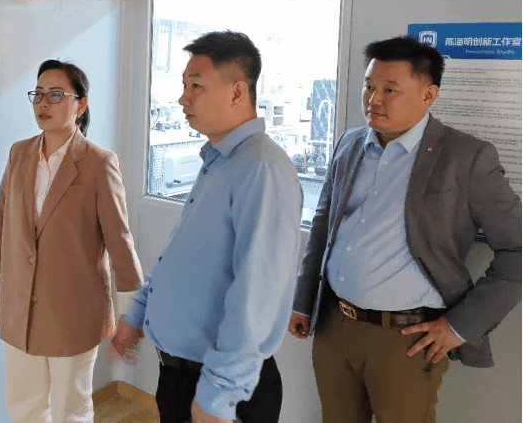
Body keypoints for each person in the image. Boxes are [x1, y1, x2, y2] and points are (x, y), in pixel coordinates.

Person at [288, 35, 522, 423]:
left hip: (407, 340)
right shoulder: (350, 143)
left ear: (429, 94)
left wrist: (459, 327)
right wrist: (303, 299)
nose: (373, 99)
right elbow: (323, 226)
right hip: (334, 324)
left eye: (390, 89)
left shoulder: (466, 158)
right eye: (369, 86)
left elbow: (517, 249)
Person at [112, 31, 302, 423]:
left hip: (221, 388)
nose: (183, 98)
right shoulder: (219, 160)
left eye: (196, 86)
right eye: (184, 85)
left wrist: (219, 395)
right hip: (181, 376)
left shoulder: (261, 169)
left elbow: (256, 295)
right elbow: (180, 256)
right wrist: (138, 315)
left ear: (237, 92)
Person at [0, 59, 143, 423]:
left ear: (80, 105)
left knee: (71, 409)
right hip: (19, 305)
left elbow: (120, 242)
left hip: (74, 311)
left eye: (56, 95)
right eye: (38, 94)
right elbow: (1, 225)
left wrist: (132, 314)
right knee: (23, 406)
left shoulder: (99, 163)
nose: (44, 103)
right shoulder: (19, 153)